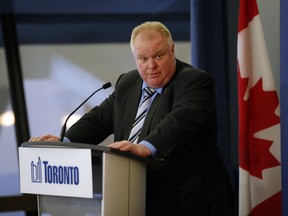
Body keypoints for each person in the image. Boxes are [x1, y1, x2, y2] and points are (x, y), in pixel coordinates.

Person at [29, 21, 235, 216]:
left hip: (190, 202)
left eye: (158, 56)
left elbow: (179, 121)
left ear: (172, 50)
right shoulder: (128, 82)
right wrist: (64, 143)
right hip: (137, 197)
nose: (151, 65)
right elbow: (99, 119)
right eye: (143, 59)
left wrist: (145, 147)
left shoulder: (194, 81)